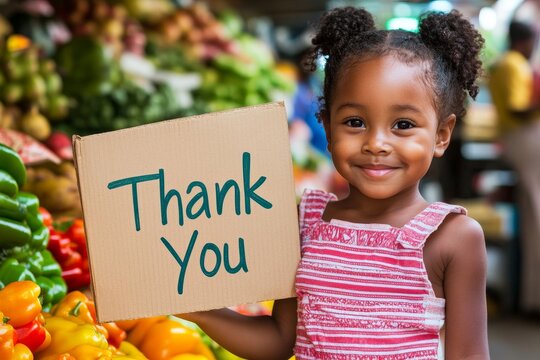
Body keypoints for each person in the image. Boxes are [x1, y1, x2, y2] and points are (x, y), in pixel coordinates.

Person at [180, 7, 489, 359]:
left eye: (403, 125)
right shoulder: (304, 222)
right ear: (327, 128)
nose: (376, 143)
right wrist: (197, 311)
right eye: (355, 122)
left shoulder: (453, 237)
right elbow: (280, 340)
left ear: (441, 135)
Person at [488, 20, 540, 314]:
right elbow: (518, 111)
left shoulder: (505, 64)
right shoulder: (513, 65)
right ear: (526, 39)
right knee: (536, 216)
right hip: (525, 140)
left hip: (520, 142)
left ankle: (532, 295)